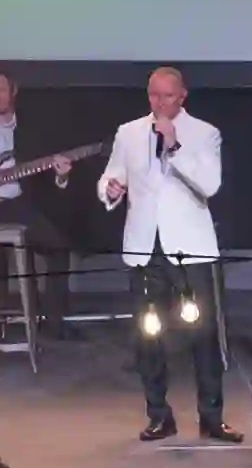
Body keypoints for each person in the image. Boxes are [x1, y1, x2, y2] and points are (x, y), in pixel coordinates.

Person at [89, 64, 236, 442]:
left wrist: (175, 146)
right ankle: (159, 415)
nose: (159, 102)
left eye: (167, 96)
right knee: (148, 335)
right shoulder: (129, 132)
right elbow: (109, 176)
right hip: (145, 248)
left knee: (202, 334)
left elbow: (210, 185)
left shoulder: (204, 133)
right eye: (153, 95)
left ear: (182, 96)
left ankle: (212, 416)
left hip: (191, 250)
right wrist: (111, 189)